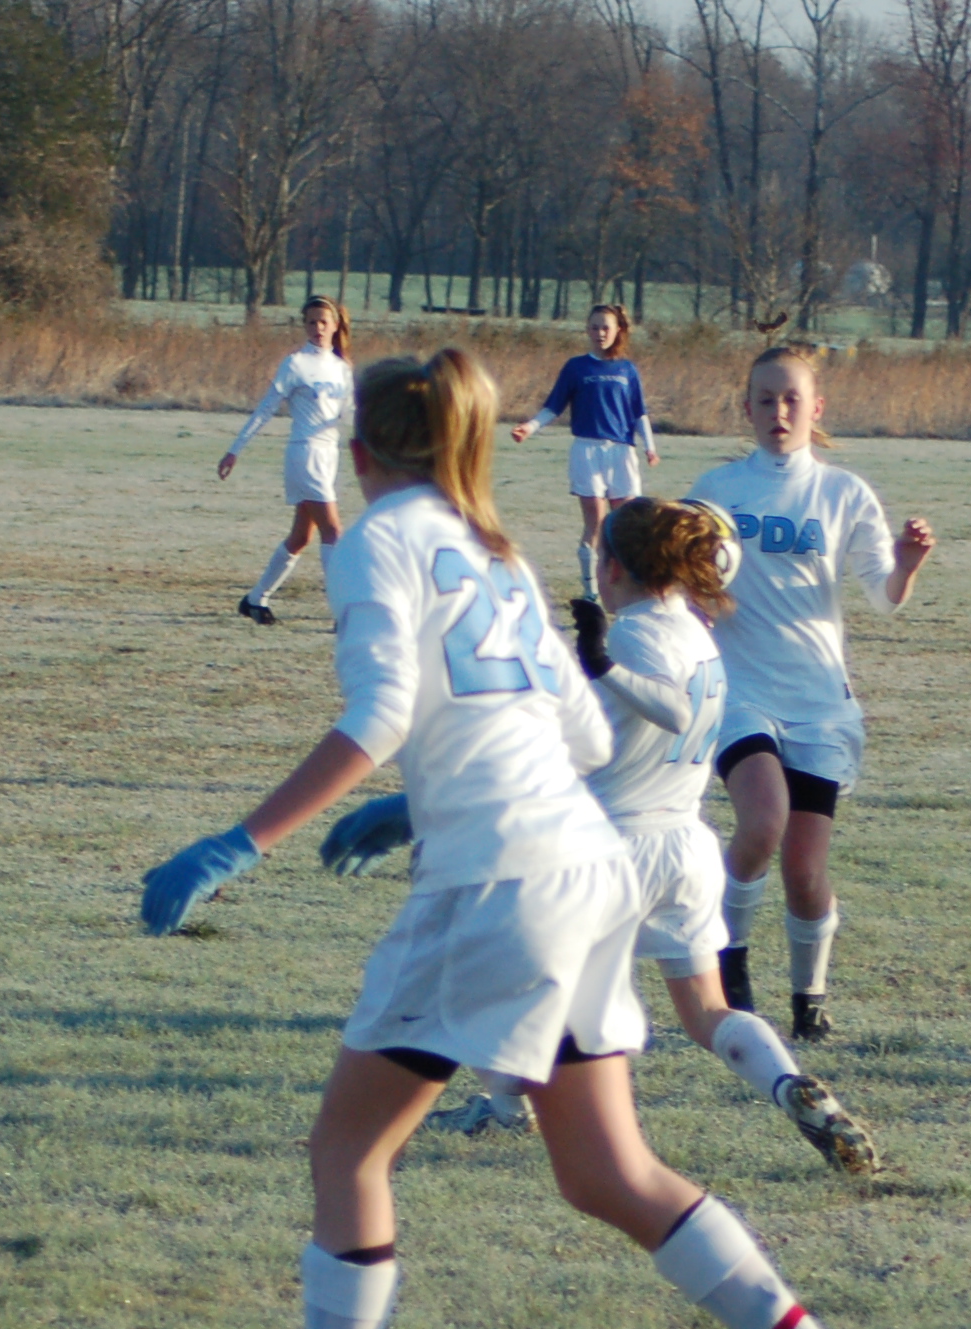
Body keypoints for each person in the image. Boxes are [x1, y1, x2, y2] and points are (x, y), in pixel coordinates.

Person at [137, 347, 908, 1329]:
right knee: (605, 1172)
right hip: (587, 872)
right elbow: (583, 738)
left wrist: (239, 842)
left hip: (496, 884)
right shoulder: (493, 548)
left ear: (359, 452)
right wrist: (430, 794)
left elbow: (379, 714)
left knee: (348, 1153)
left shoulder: (381, 540)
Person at [321, 497, 882, 1174]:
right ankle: (788, 1084)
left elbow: (642, 720)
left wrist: (599, 663)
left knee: (492, 981)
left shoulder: (632, 639)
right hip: (685, 847)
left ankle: (504, 1109)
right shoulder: (696, 630)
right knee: (707, 1011)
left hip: (609, 852)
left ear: (613, 566)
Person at [685, 344, 935, 1042]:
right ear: (746, 408)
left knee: (803, 870)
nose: (779, 411)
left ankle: (809, 998)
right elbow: (681, 577)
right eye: (765, 399)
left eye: (792, 399)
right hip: (740, 690)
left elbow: (885, 597)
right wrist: (691, 596)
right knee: (762, 821)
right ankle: (730, 964)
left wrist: (908, 565)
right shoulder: (716, 489)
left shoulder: (844, 493)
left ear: (816, 407)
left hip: (820, 702)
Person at [217, 295, 353, 626]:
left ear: (335, 325)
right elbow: (266, 409)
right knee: (333, 531)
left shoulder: (342, 368)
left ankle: (255, 600)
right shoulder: (295, 364)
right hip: (304, 453)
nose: (317, 328)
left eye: (323, 322)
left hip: (329, 455)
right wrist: (235, 449)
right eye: (311, 322)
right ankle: (342, 613)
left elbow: (351, 415)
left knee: (301, 537)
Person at [509, 303, 658, 596]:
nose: (600, 333)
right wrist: (530, 427)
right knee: (596, 523)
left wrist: (650, 448)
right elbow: (553, 406)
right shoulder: (576, 367)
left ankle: (626, 588)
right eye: (594, 327)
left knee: (626, 523)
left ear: (618, 331)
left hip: (621, 452)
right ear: (587, 330)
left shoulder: (627, 369)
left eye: (606, 328)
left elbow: (639, 413)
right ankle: (591, 591)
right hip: (587, 451)